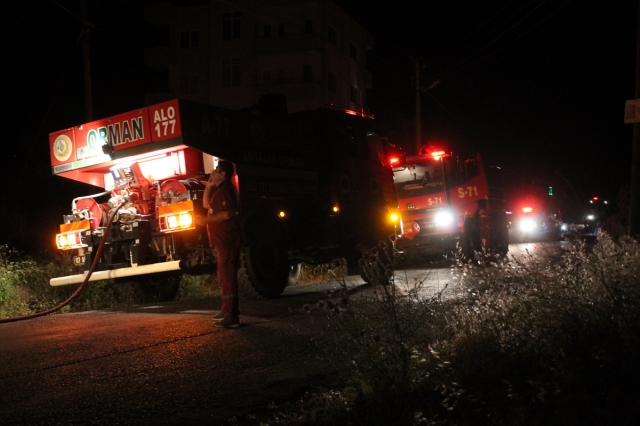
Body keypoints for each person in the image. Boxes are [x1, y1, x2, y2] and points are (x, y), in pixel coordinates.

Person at [197, 160, 243, 328]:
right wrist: (208, 187)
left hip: (228, 241)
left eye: (216, 170)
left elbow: (227, 215)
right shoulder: (220, 190)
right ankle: (226, 310)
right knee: (223, 277)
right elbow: (205, 205)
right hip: (222, 242)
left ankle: (232, 317)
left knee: (228, 278)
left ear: (223, 174)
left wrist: (205, 220)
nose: (213, 173)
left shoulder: (225, 191)